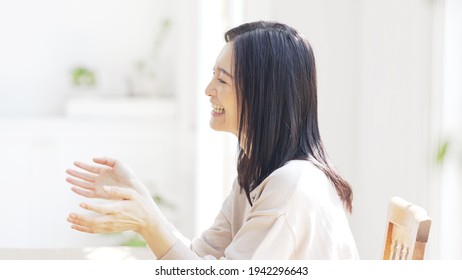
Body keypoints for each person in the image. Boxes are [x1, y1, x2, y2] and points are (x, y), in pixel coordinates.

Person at [66, 21, 359, 260]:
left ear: (262, 94)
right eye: (212, 76)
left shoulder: (291, 185)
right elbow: (198, 256)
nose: (208, 90)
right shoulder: (257, 174)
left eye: (222, 80)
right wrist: (141, 201)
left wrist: (147, 223)